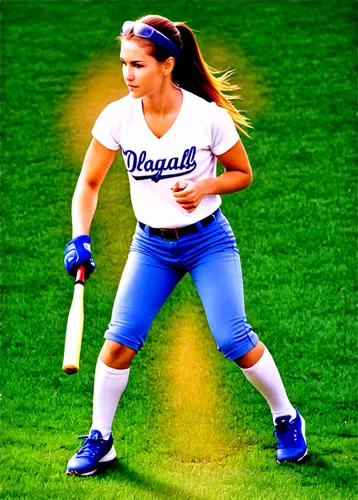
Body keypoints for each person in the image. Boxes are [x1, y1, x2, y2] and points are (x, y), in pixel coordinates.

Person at [64, 14, 307, 476]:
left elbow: (243, 173)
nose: (127, 74)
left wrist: (206, 187)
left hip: (207, 241)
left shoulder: (205, 118)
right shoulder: (117, 116)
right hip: (150, 247)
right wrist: (80, 236)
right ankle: (101, 439)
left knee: (234, 338)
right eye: (123, 64)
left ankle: (286, 417)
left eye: (137, 65)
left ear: (167, 65)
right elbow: (89, 184)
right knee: (117, 345)